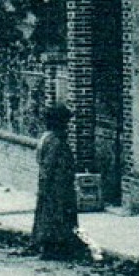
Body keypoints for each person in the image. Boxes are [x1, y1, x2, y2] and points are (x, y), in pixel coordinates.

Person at [32, 103, 87, 260]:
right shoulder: (54, 141)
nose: (67, 126)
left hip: (58, 186)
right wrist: (44, 187)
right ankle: (54, 248)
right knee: (56, 216)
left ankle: (54, 246)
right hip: (57, 188)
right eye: (65, 122)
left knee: (52, 215)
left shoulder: (48, 138)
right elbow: (48, 167)